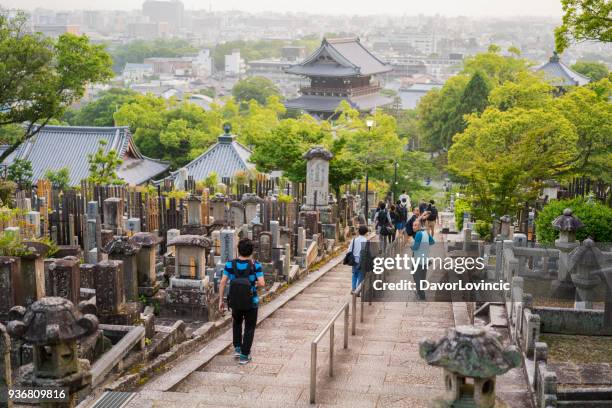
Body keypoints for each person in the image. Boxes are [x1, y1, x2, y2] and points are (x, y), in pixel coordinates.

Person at [218, 238, 265, 365]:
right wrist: (253, 282)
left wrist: (221, 300)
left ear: (238, 250)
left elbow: (223, 282)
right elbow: (262, 283)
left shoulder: (230, 265)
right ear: (251, 251)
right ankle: (244, 355)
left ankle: (237, 348)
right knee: (249, 328)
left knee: (237, 323)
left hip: (235, 301)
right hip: (251, 302)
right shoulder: (256, 265)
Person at [411, 214, 435, 301]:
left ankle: (421, 294)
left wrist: (412, 247)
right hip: (425, 259)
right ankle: (421, 293)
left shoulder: (418, 234)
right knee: (422, 277)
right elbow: (432, 242)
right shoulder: (426, 233)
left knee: (417, 277)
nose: (413, 227)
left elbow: (415, 247)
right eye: (413, 225)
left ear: (420, 225)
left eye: (416, 225)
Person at [348, 225, 369, 294]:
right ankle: (357, 291)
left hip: (354, 261)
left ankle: (353, 289)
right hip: (362, 261)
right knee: (361, 276)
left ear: (358, 232)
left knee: (354, 274)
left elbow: (349, 250)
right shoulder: (366, 241)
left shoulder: (353, 240)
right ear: (366, 232)